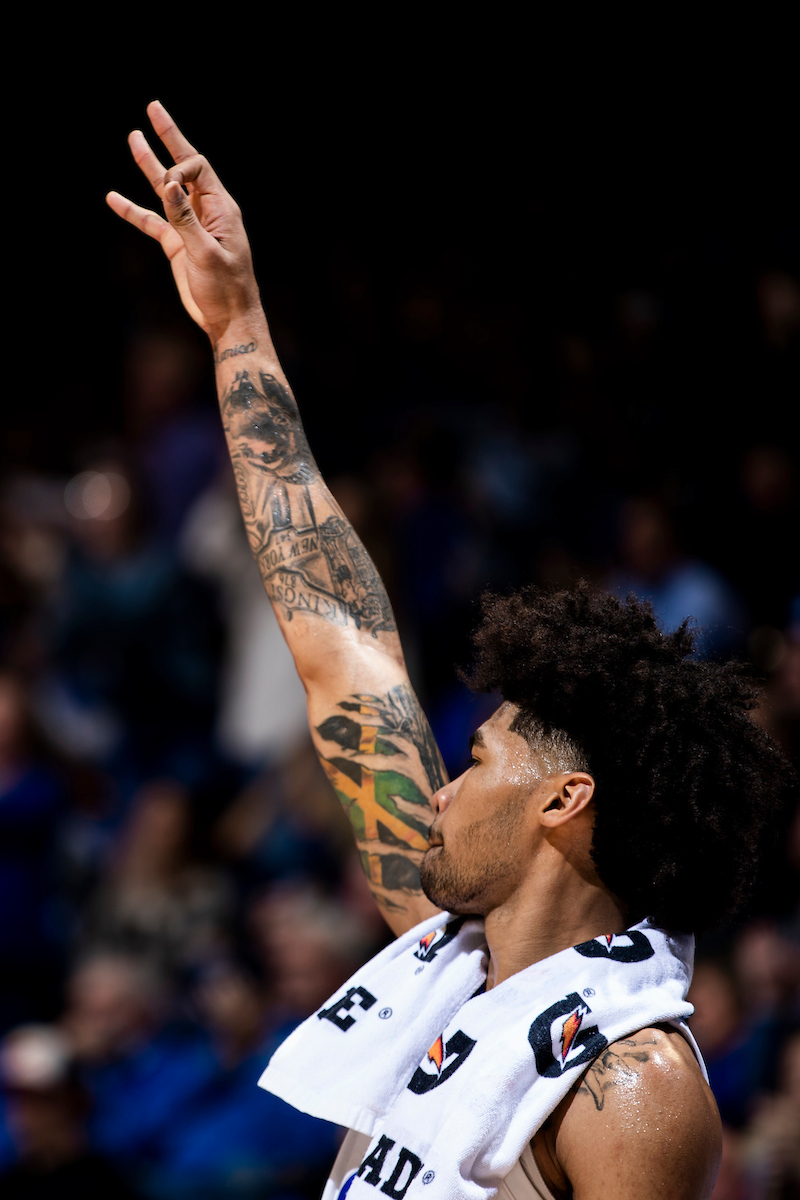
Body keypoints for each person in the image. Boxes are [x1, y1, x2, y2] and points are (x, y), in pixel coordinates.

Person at [107, 103, 791, 1200]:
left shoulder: (632, 1082)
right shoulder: (451, 953)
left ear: (562, 800)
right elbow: (341, 648)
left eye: (476, 762)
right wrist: (237, 330)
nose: (439, 789)